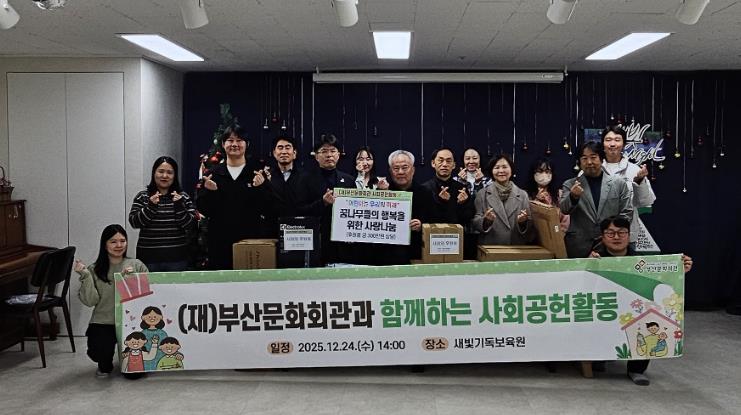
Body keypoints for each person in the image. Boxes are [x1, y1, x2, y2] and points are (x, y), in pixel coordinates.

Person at [590, 216, 693, 386]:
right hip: (605, 307)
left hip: (633, 308)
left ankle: (636, 369)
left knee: (646, 324)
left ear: (629, 235)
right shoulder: (593, 258)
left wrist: (680, 269)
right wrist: (587, 264)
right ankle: (599, 359)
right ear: (602, 237)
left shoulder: (643, 261)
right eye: (610, 233)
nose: (616, 237)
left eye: (622, 232)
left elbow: (663, 278)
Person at [74, 224, 148, 378]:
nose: (119, 245)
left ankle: (129, 358)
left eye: (122, 241)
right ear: (104, 244)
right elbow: (90, 301)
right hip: (104, 321)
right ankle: (105, 360)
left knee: (134, 375)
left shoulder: (136, 265)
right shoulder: (94, 269)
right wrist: (85, 275)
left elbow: (149, 295)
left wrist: (133, 279)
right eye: (113, 242)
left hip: (132, 322)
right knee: (99, 354)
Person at [197, 123, 271, 269]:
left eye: (239, 140)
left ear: (247, 144)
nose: (234, 144)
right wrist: (209, 192)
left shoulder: (257, 173)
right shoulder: (212, 174)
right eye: (230, 140)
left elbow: (268, 208)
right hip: (219, 241)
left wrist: (261, 187)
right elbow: (203, 209)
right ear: (223, 144)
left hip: (250, 240)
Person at [560, 141, 633, 258]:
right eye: (584, 158)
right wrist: (573, 197)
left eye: (593, 157)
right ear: (579, 162)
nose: (589, 162)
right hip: (578, 245)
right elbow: (564, 209)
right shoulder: (570, 184)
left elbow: (627, 213)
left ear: (602, 159)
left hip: (610, 245)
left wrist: (612, 233)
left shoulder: (619, 184)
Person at [296, 134, 355, 265]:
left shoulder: (349, 180)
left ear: (338, 155)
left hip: (343, 245)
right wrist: (322, 203)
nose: (329, 155)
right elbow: (299, 210)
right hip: (316, 241)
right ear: (316, 156)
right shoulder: (305, 180)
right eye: (324, 151)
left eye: (333, 151)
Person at [128, 156, 195, 271]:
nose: (165, 176)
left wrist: (179, 206)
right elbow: (134, 223)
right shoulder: (143, 196)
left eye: (169, 172)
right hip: (148, 258)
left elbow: (191, 225)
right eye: (161, 171)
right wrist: (150, 206)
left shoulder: (183, 197)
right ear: (154, 173)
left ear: (174, 176)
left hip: (177, 259)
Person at [601, 125, 657, 250]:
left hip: (626, 236)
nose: (612, 144)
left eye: (617, 140)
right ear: (603, 144)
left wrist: (639, 182)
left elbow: (645, 202)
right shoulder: (593, 169)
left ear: (624, 144)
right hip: (597, 235)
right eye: (608, 140)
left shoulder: (634, 170)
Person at [471, 154, 535, 245]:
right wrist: (486, 221)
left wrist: (523, 222)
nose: (501, 171)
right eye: (497, 167)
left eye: (505, 167)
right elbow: (475, 223)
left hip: (515, 247)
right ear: (492, 171)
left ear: (511, 169)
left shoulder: (522, 195)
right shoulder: (482, 194)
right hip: (491, 247)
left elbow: (530, 226)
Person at [455, 148, 492, 259]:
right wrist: (462, 183)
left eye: (475, 158)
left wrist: (478, 184)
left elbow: (484, 203)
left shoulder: (488, 181)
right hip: (461, 229)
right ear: (463, 161)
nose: (471, 161)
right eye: (467, 158)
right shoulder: (455, 180)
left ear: (480, 161)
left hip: (481, 230)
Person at [422, 147, 474, 226]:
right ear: (433, 163)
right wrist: (441, 202)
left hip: (456, 232)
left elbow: (468, 219)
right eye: (440, 160)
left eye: (448, 161)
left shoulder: (461, 189)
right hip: (432, 232)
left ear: (454, 165)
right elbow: (424, 218)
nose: (445, 164)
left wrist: (463, 204)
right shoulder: (424, 189)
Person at [525, 157, 570, 232]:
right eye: (540, 171)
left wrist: (559, 234)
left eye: (547, 171)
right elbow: (526, 218)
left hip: (555, 234)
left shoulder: (560, 194)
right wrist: (536, 201)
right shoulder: (525, 194)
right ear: (533, 173)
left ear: (552, 174)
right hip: (533, 235)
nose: (544, 174)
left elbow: (565, 217)